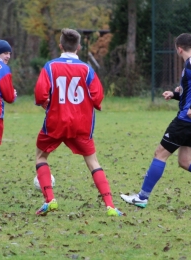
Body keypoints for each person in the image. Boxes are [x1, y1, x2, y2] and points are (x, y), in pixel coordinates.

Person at [120, 33, 191, 210]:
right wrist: (175, 95)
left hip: (187, 120)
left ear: (179, 48)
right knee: (185, 161)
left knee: (160, 153)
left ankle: (142, 197)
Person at [34, 28, 124, 217]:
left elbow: (41, 93)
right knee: (93, 162)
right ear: (79, 47)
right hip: (81, 124)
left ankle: (50, 199)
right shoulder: (87, 69)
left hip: (56, 122)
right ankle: (110, 206)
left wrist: (45, 103)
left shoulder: (50, 67)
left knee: (41, 157)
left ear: (60, 46)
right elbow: (98, 96)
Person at [0, 40, 17, 146]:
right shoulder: (2, 68)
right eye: (5, 53)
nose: (8, 56)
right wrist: (13, 94)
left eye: (9, 54)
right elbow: (9, 97)